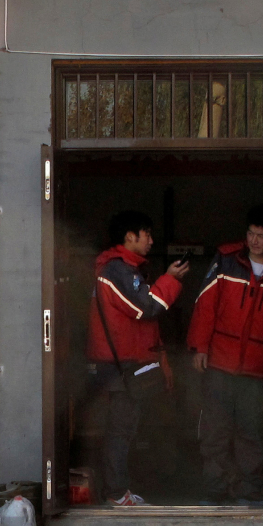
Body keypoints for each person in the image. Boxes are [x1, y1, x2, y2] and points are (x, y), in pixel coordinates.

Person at [86, 210, 190, 506]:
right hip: (121, 369)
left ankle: (118, 490)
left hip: (121, 366)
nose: (151, 240)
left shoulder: (122, 269)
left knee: (123, 429)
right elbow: (146, 306)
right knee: (120, 431)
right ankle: (117, 494)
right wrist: (170, 279)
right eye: (147, 234)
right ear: (130, 236)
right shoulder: (117, 271)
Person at [187, 202, 263, 506]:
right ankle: (215, 491)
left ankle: (248, 491)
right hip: (220, 363)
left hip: (258, 368)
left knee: (252, 433)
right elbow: (205, 305)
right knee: (215, 430)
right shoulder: (227, 261)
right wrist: (200, 347)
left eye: (261, 235)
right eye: (251, 233)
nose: (254, 240)